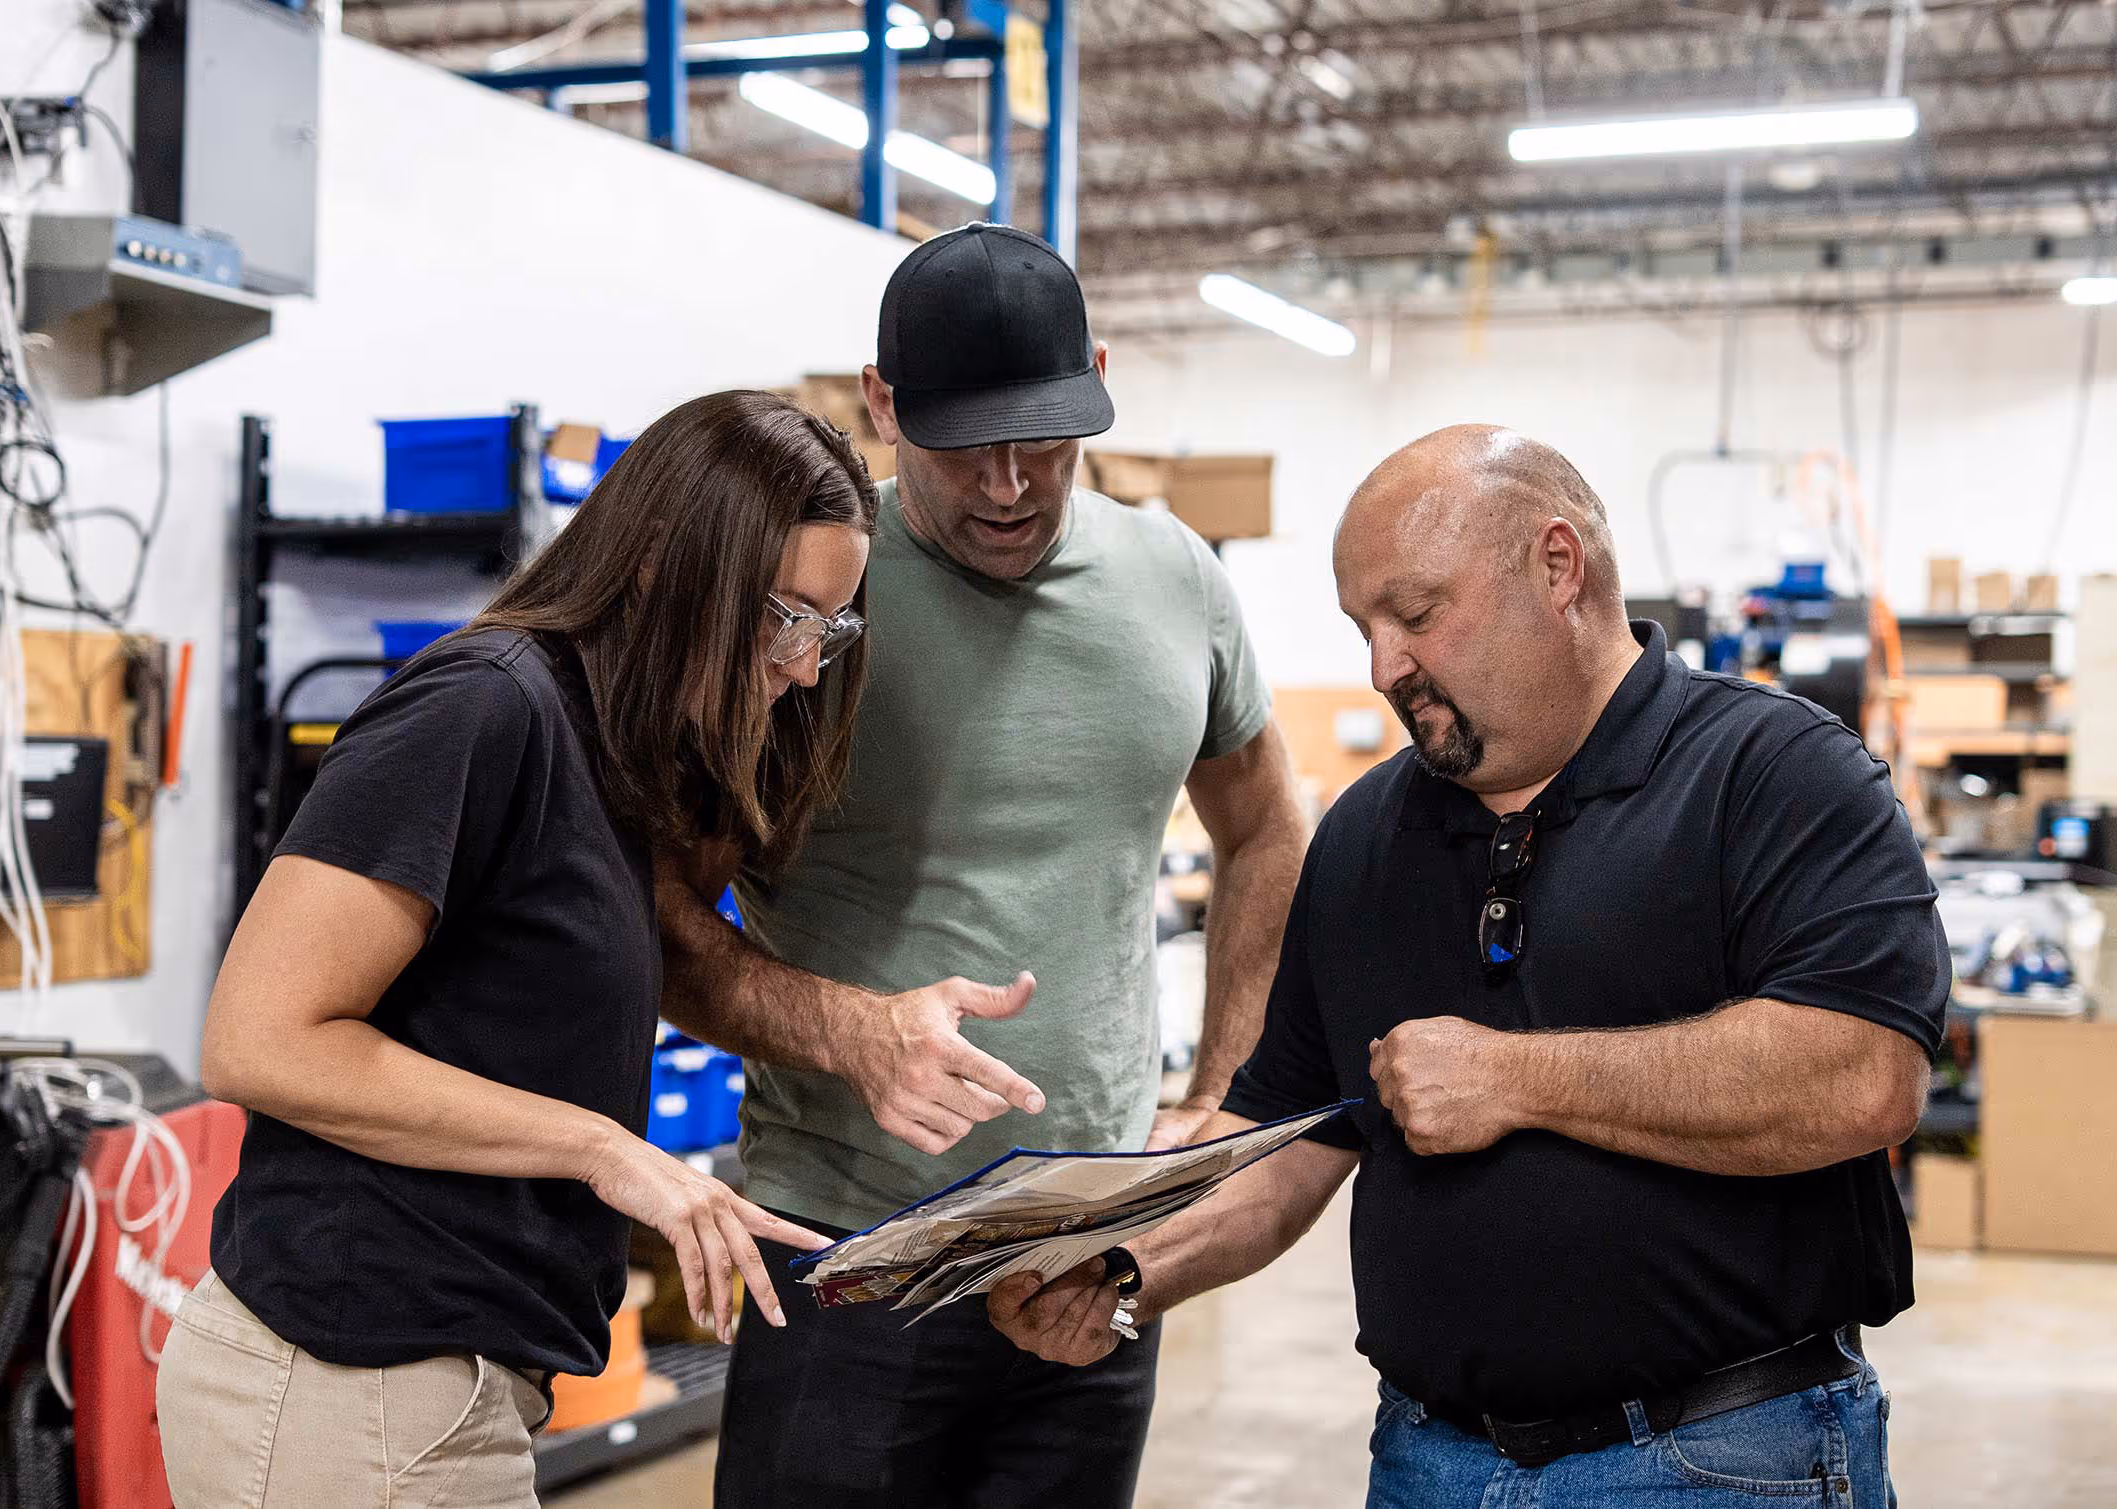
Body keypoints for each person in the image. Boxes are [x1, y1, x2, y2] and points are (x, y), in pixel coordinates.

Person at [986, 424, 1946, 1509]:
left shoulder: (1774, 776)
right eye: (1362, 627)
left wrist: (1519, 1079)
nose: (1383, 665)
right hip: (1426, 1463)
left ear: (1556, 566)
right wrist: (1124, 1270)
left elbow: (1864, 1077)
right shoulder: (1361, 837)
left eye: (1416, 613)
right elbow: (1292, 1139)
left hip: (1719, 1460)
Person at [653, 223, 1310, 1508]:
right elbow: (666, 915)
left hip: (1084, 1242)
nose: (1010, 486)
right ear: (880, 405)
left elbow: (1268, 824)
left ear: (1099, 382)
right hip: (847, 1250)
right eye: (963, 449)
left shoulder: (1175, 578)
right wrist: (851, 1032)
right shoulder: (811, 598)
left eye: (1047, 442)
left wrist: (1220, 1093)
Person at [156, 391, 876, 1507]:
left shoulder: (607, 745)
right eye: (786, 617)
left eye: (828, 628)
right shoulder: (482, 710)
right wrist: (601, 1147)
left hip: (442, 1380)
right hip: (347, 1375)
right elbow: (258, 1043)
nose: (804, 667)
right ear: (661, 568)